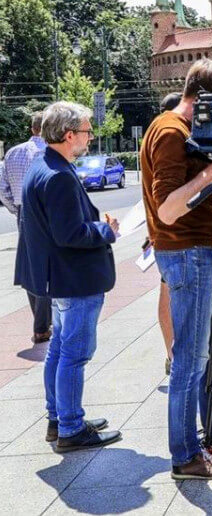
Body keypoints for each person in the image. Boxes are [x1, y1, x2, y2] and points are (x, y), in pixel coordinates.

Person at [140, 58, 212, 480]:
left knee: (200, 352)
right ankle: (186, 455)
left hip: (197, 252)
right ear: (207, 98)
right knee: (189, 360)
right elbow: (170, 207)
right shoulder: (172, 132)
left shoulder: (176, 128)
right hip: (186, 251)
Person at [14, 102, 121, 451]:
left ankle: (59, 418)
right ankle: (71, 429)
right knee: (74, 354)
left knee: (59, 351)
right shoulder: (58, 174)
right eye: (88, 131)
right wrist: (104, 231)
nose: (91, 138)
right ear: (69, 134)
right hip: (75, 279)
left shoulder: (43, 165)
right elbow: (70, 234)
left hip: (59, 279)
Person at [1, 112, 53, 343]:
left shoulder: (12, 153)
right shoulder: (49, 153)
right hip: (46, 211)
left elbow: (3, 189)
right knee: (48, 266)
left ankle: (43, 321)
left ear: (32, 129)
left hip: (24, 213)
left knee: (31, 264)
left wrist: (16, 208)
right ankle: (43, 324)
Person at [156, 91, 182, 375]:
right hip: (176, 234)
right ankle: (175, 354)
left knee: (166, 291)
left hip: (164, 231)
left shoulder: (155, 136)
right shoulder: (170, 139)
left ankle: (171, 352)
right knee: (170, 292)